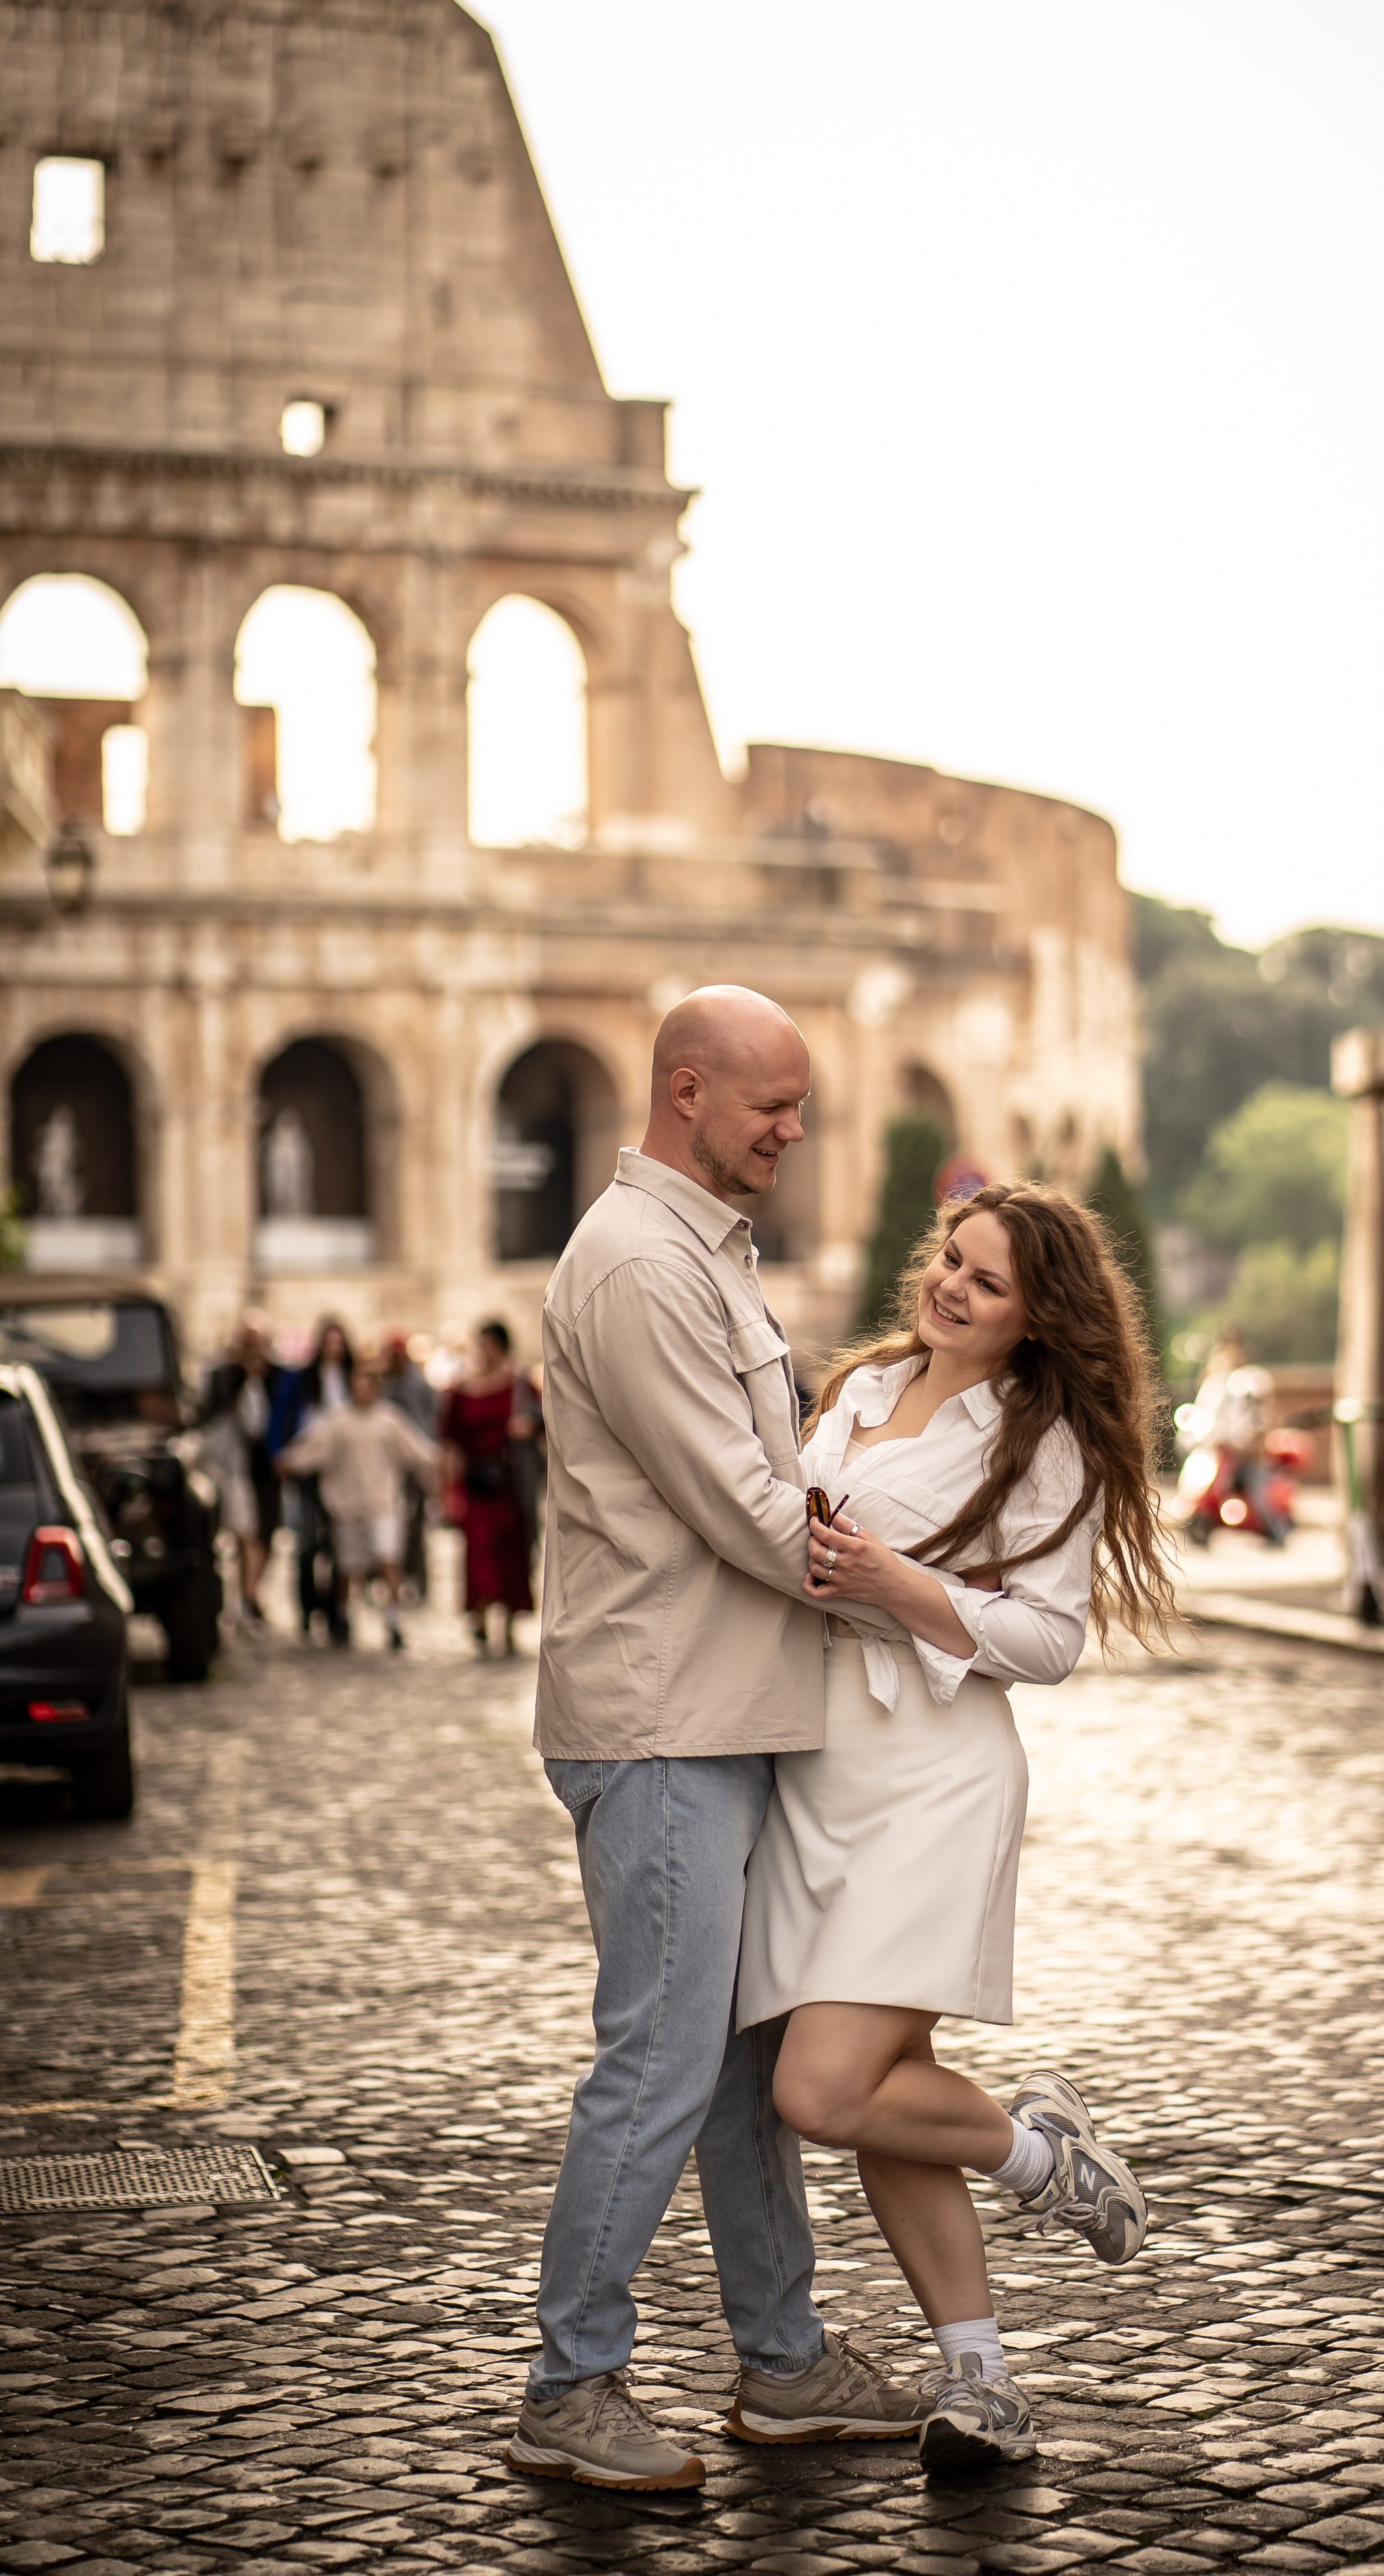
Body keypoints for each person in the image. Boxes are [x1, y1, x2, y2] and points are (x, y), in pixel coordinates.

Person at [504, 986, 919, 2496]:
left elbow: (769, 1486)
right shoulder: (635, 1267)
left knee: (741, 2069)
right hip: (664, 1723)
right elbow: (748, 1514)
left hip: (718, 1714)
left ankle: (786, 2362)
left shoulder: (698, 1256)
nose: (793, 1131)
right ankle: (569, 2385)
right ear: (687, 1093)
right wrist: (917, 1587)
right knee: (661, 2065)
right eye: (771, 1107)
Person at [738, 1181, 1176, 2472]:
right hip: (818, 1765)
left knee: (823, 2090)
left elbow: (1047, 1641)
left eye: (986, 1280)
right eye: (950, 1259)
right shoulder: (863, 1389)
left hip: (935, 1775)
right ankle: (982, 2382)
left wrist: (894, 1583)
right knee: (880, 2096)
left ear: (1038, 1316)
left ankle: (1039, 2159)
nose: (950, 1287)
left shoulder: (1042, 1445)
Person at [278, 1356, 440, 1650]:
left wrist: (439, 1463)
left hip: (382, 1503)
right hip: (347, 1507)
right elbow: (313, 1449)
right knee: (348, 1568)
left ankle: (393, 1620)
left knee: (388, 1558)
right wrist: (289, 1461)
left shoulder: (388, 1420)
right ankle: (344, 1617)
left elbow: (417, 1451)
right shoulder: (338, 1421)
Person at [441, 1321, 536, 1656]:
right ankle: (479, 1620)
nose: (486, 1352)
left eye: (492, 1345)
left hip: (509, 1483)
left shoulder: (520, 1387)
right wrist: (448, 1490)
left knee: (510, 1552)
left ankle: (507, 1626)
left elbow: (545, 1422)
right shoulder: (461, 1390)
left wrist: (527, 1429)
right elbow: (451, 1444)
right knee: (478, 1552)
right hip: (475, 1484)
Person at [274, 1317, 353, 1641]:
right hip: (308, 1464)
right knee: (307, 1540)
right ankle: (307, 1608)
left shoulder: (349, 1378)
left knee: (338, 1542)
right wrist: (279, 1453)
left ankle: (337, 1610)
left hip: (342, 1468)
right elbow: (281, 1415)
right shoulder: (302, 1380)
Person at [199, 1315, 281, 1625]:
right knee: (243, 1534)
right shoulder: (224, 1374)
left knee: (262, 1534)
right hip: (234, 1469)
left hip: (264, 1469)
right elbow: (217, 1414)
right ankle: (246, 1596)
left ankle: (250, 1593)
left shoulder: (275, 1377)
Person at [380, 1330, 438, 1604]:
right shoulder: (386, 1384)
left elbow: (428, 1423)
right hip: (392, 1464)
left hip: (415, 1462)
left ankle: (416, 1579)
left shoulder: (417, 1385)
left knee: (416, 1524)